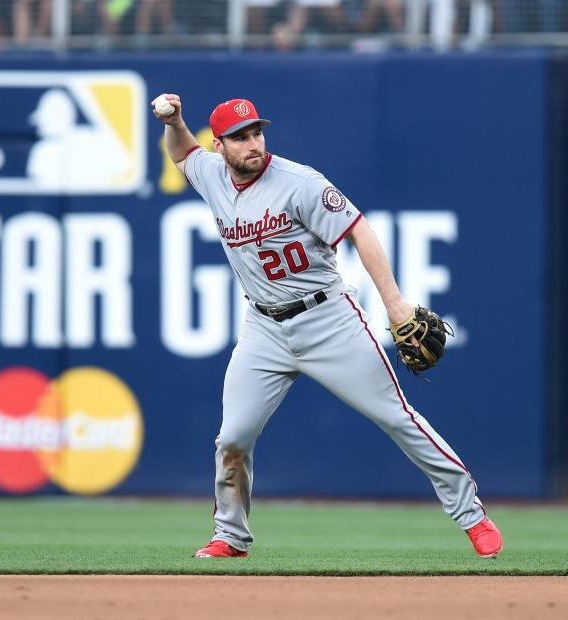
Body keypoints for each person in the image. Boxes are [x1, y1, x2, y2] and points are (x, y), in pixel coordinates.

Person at [152, 93, 504, 559]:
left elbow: (359, 230)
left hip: (328, 319)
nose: (253, 142)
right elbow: (181, 153)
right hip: (263, 328)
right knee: (233, 438)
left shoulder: (300, 183)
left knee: (397, 417)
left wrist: (395, 305)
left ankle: (472, 516)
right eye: (240, 137)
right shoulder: (213, 175)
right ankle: (231, 538)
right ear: (221, 147)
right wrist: (176, 121)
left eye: (256, 132)